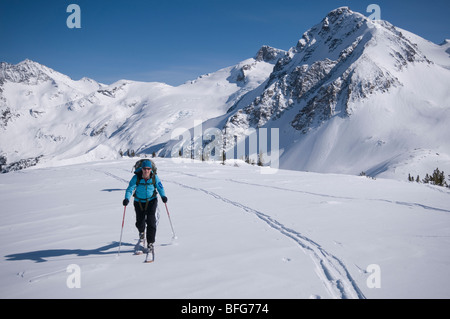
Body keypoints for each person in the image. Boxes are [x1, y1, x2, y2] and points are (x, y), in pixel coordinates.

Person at [122, 160, 167, 253]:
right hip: (138, 202)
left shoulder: (154, 177)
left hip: (151, 201)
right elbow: (130, 188)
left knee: (151, 222)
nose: (146, 171)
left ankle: (150, 243)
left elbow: (160, 187)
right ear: (141, 169)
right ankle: (141, 233)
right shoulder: (136, 177)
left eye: (148, 169)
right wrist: (127, 198)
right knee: (140, 222)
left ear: (151, 169)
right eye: (144, 169)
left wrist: (163, 196)